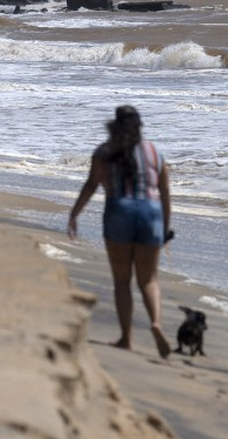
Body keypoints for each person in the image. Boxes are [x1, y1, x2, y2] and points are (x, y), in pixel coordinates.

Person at [67, 105, 173, 358]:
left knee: (122, 280)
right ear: (140, 126)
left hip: (119, 213)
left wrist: (74, 215)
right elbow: (165, 193)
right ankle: (156, 322)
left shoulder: (105, 151)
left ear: (115, 124)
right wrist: (165, 227)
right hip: (151, 214)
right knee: (149, 279)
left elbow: (92, 185)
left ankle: (127, 338)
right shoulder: (154, 151)